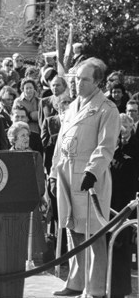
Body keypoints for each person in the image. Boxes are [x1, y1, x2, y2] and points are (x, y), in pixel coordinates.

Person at [50, 58, 121, 298]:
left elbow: (106, 146)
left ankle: (95, 288)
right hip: (67, 174)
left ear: (98, 82)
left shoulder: (107, 108)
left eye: (84, 79)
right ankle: (76, 281)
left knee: (93, 234)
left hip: (90, 179)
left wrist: (92, 171)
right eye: (76, 78)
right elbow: (60, 143)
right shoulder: (71, 107)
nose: (77, 84)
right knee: (73, 229)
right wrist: (52, 173)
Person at [108, 113, 139, 298]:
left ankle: (120, 290)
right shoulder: (107, 151)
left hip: (125, 208)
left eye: (125, 128)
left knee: (122, 248)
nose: (122, 132)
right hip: (106, 206)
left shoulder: (132, 153)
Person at [7, 121, 47, 261]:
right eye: (22, 135)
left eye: (27, 135)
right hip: (11, 204)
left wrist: (32, 196)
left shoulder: (35, 156)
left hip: (30, 202)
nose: (26, 138)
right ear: (14, 138)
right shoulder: (6, 157)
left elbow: (40, 182)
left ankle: (33, 260)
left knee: (32, 240)